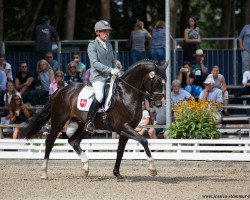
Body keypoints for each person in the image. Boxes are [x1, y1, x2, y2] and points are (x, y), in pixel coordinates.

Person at [84, 20, 120, 134]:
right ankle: (89, 121)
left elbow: (112, 60)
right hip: (98, 78)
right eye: (104, 31)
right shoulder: (92, 45)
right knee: (99, 96)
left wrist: (116, 66)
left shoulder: (109, 45)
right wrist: (110, 70)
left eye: (108, 31)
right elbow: (94, 63)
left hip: (110, 76)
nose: (107, 33)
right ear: (98, 32)